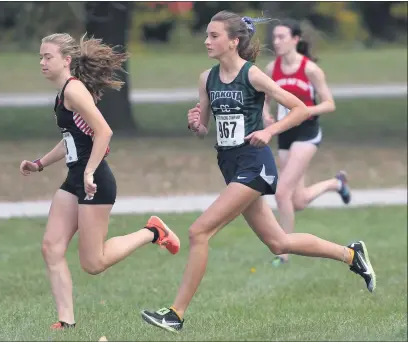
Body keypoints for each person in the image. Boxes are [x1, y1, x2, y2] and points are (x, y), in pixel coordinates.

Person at [140, 11, 376, 333]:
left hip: (255, 165)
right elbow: (204, 127)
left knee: (199, 232)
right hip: (230, 164)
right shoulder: (206, 78)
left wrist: (270, 131)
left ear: (233, 41)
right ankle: (351, 255)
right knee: (278, 243)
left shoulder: (253, 76)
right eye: (207, 35)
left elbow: (301, 108)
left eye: (214, 36)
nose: (206, 41)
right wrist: (195, 124)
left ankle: (176, 314)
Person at [19, 33, 180, 329]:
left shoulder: (73, 90)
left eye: (47, 57)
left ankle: (153, 231)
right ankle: (66, 321)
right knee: (51, 247)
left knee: (93, 264)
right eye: (40, 57)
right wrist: (39, 164)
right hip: (76, 180)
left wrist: (90, 172)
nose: (42, 62)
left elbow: (104, 132)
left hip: (96, 182)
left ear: (66, 61)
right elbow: (72, 140)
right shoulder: (63, 93)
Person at [263, 19, 351, 266]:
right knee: (297, 201)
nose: (277, 41)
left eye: (282, 37)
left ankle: (283, 253)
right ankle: (336, 183)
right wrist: (265, 114)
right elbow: (265, 99)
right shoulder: (272, 68)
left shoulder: (310, 69)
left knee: (281, 193)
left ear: (295, 39)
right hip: (285, 133)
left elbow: (329, 103)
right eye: (275, 37)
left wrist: (305, 111)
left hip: (307, 134)